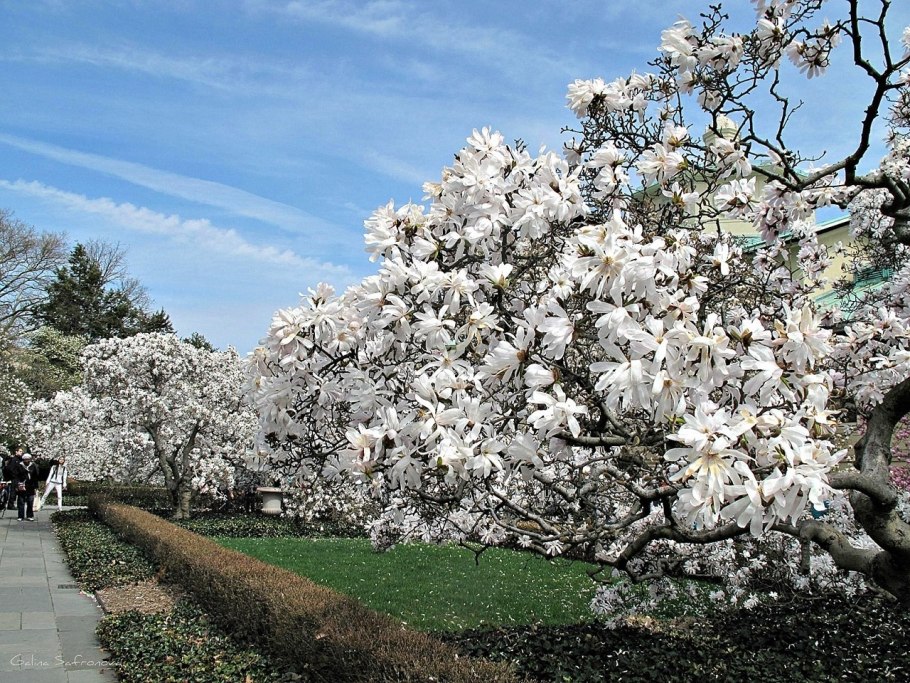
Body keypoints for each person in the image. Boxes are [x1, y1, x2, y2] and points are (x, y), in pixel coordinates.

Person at [16, 452, 39, 521]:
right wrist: (17, 485)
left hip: (31, 486)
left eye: (28, 459)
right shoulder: (19, 466)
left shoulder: (33, 466)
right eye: (25, 459)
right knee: (21, 501)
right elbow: (16, 476)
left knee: (30, 501)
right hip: (22, 485)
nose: (26, 461)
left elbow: (35, 477)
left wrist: (36, 487)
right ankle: (20, 516)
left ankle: (30, 515)